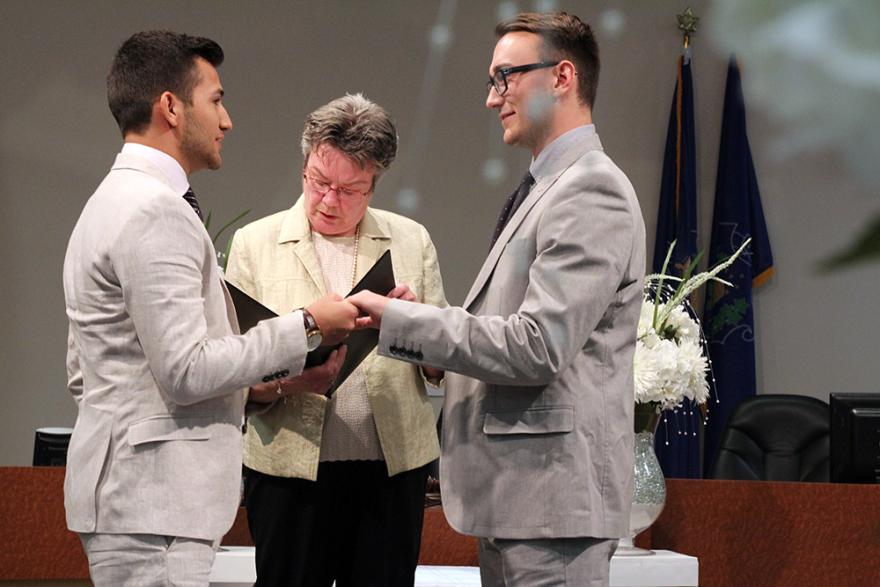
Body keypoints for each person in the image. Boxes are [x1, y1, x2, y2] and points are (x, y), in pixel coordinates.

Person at [349, 12, 646, 587]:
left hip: (552, 509)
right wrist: (428, 339)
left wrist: (405, 320)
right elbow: (510, 332)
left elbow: (537, 346)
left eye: (505, 77)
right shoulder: (547, 187)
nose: (493, 98)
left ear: (562, 76)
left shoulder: (590, 188)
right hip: (523, 503)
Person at [62, 31, 358, 586]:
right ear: (171, 107)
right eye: (216, 99)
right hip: (154, 508)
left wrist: (269, 386)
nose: (227, 121)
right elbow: (184, 370)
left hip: (138, 502)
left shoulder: (109, 201)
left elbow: (86, 373)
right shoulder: (154, 211)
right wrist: (310, 324)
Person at [224, 93, 447, 586]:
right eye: (320, 181)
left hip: (392, 473)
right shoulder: (255, 244)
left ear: (374, 184)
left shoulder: (411, 239)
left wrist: (415, 326)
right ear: (305, 165)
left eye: (350, 189)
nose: (329, 200)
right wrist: (294, 383)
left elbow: (441, 370)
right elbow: (235, 373)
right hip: (288, 472)